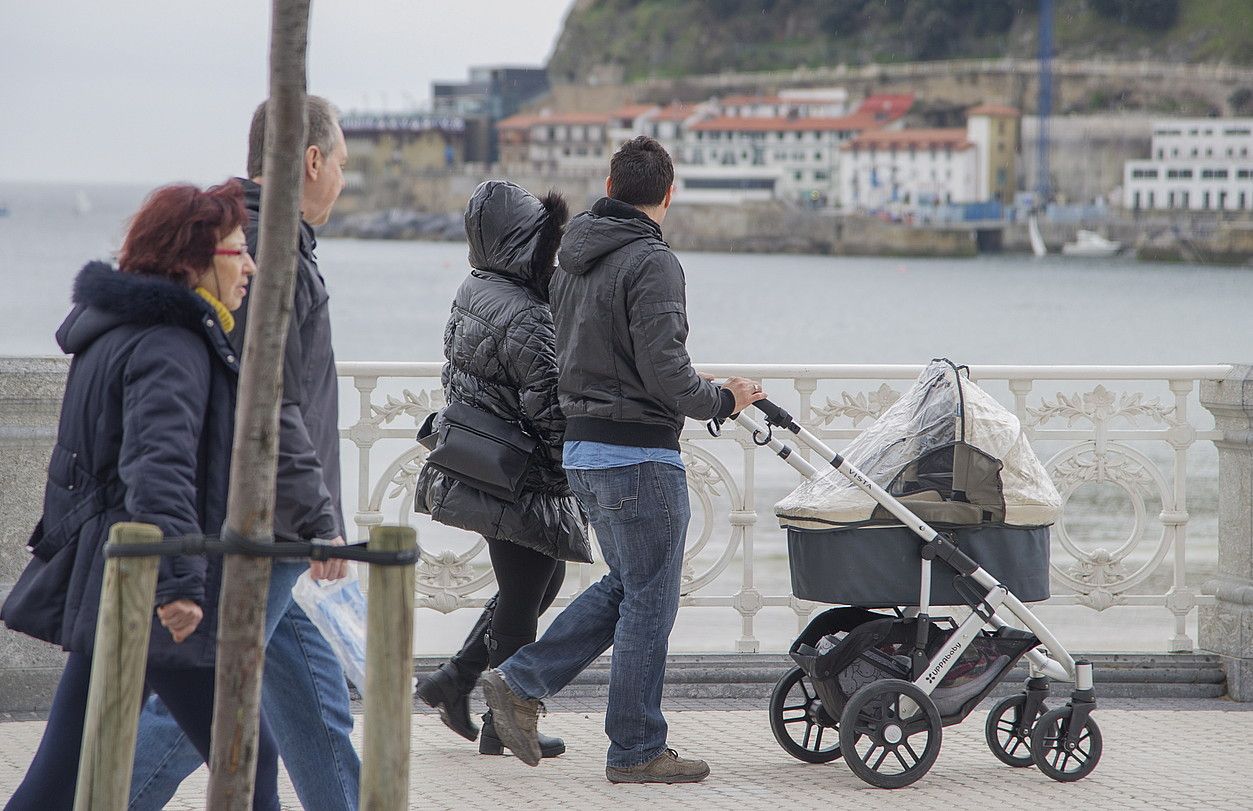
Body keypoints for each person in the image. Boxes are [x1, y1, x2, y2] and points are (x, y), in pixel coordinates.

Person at [479, 136, 765, 783]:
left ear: (609, 185)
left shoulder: (571, 261)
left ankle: (519, 683)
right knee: (649, 599)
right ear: (668, 194)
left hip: (582, 448)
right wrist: (722, 397)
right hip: (637, 454)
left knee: (631, 585)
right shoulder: (652, 262)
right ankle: (635, 747)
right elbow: (665, 371)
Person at [0, 182, 281, 810]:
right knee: (248, 753)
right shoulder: (171, 343)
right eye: (238, 252)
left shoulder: (117, 330)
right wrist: (180, 583)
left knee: (58, 779)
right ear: (193, 259)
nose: (251, 266)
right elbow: (158, 471)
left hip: (114, 574)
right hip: (148, 583)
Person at [128, 96, 360, 811]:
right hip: (266, 517)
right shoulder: (269, 254)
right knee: (202, 701)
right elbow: (273, 401)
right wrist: (318, 516)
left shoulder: (250, 238)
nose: (343, 182)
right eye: (343, 164)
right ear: (312, 160)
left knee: (313, 692)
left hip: (268, 515)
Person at [413, 181, 591, 758]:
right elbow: (548, 409)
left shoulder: (477, 287)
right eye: (547, 239)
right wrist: (584, 468)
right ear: (526, 243)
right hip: (521, 473)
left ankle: (456, 680)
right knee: (522, 592)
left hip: (485, 461)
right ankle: (506, 722)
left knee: (536, 583)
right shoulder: (527, 315)